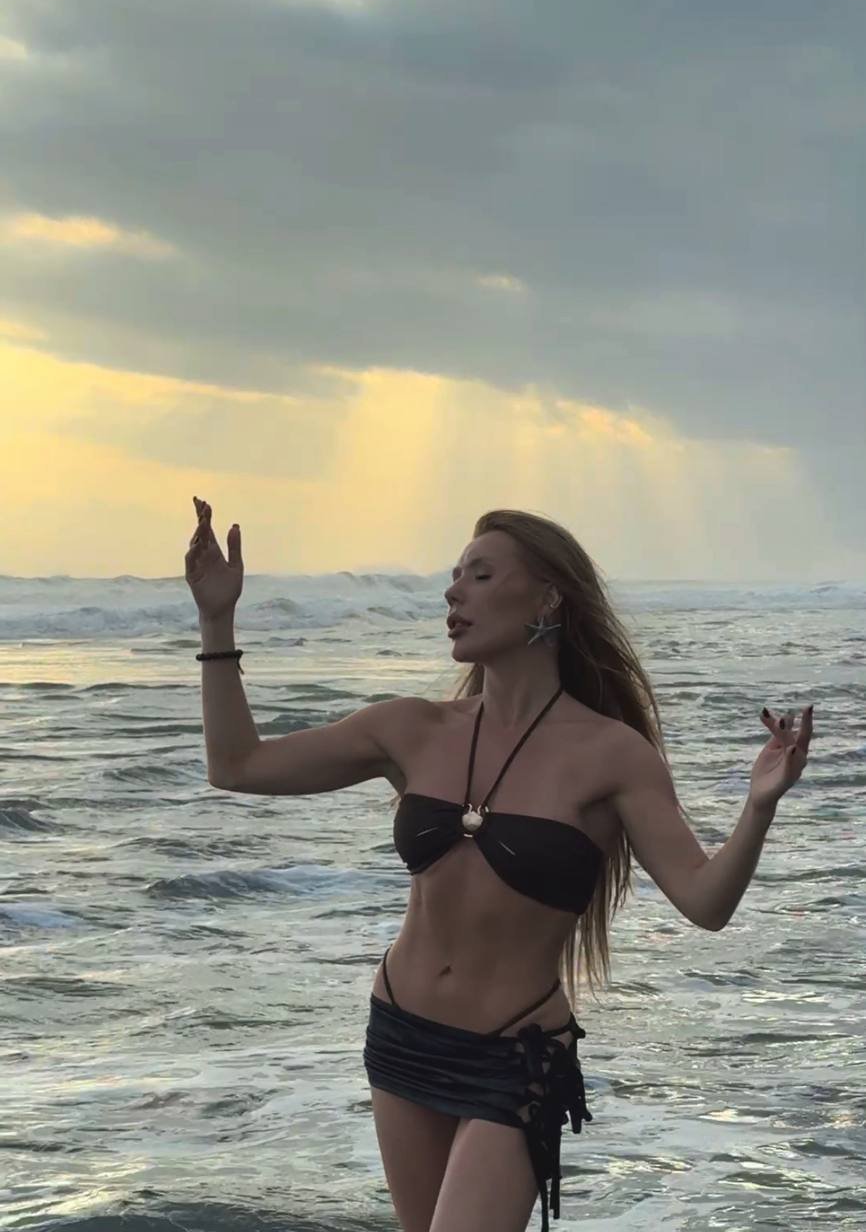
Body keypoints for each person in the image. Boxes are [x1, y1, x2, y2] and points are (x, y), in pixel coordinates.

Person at [186, 496, 813, 1232]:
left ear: (548, 598)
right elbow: (237, 765)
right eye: (455, 577)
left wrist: (759, 805)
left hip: (516, 1056)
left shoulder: (612, 755)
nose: (454, 593)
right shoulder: (411, 728)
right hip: (401, 1034)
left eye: (480, 576)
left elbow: (706, 903)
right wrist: (216, 620)